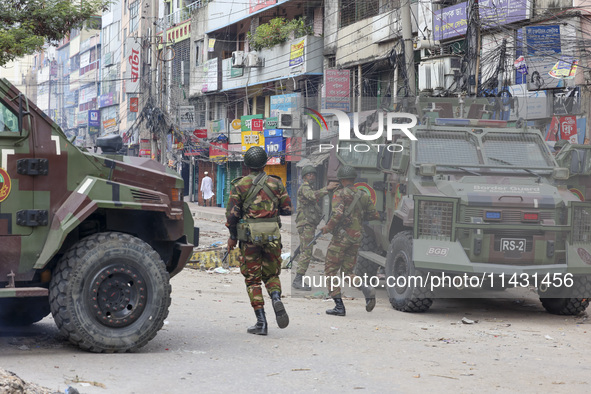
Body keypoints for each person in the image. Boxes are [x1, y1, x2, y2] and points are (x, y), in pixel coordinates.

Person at [226, 146, 292, 335]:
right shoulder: (277, 183)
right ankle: (276, 297)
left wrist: (232, 237)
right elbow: (288, 209)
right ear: (265, 163)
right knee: (272, 276)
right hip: (272, 236)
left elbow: (232, 216)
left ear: (246, 164)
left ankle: (261, 322)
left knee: (253, 279)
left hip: (249, 239)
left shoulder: (240, 185)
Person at [321, 165, 380, 316]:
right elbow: (375, 215)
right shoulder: (363, 195)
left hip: (341, 237)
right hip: (356, 238)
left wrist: (327, 227)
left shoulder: (339, 193)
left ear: (341, 179)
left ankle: (339, 306)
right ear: (354, 179)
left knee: (330, 271)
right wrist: (357, 217)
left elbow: (337, 215)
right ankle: (366, 288)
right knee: (347, 272)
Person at [293, 166, 339, 290]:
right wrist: (327, 188)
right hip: (305, 224)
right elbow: (313, 196)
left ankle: (299, 278)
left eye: (313, 174)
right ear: (304, 177)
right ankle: (298, 279)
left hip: (309, 224)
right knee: (306, 252)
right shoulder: (305, 188)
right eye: (309, 175)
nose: (312, 176)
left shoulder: (310, 188)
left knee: (306, 250)